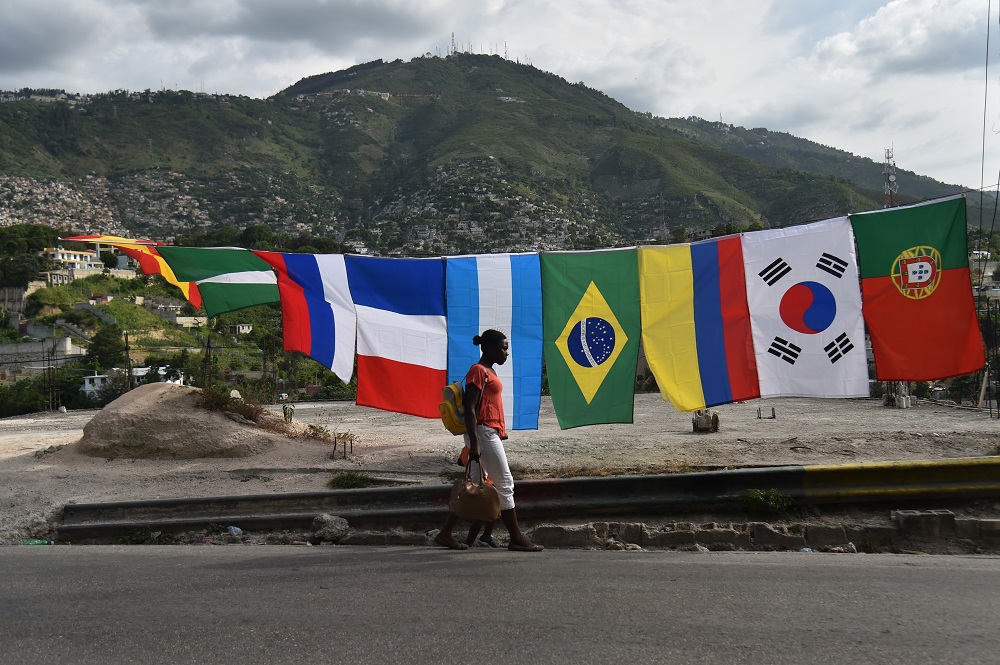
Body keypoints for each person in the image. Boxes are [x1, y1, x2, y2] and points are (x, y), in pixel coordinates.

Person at [434, 329, 543, 552]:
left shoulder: (488, 371)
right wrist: (474, 444)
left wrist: (499, 429)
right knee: (505, 484)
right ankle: (516, 538)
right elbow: (472, 409)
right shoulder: (478, 370)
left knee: (473, 487)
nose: (507, 353)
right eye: (503, 348)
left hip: (487, 432)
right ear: (490, 348)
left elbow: (487, 406)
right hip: (482, 434)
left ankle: (445, 533)